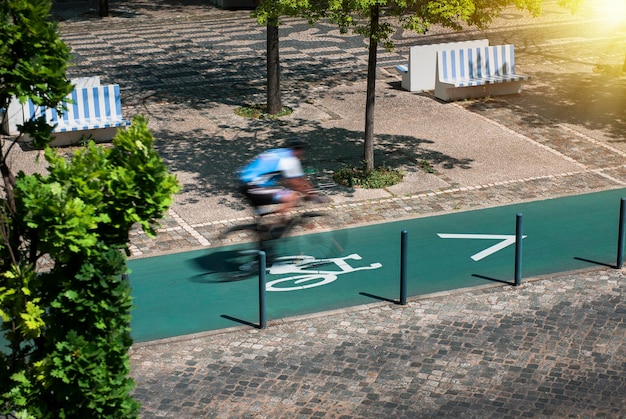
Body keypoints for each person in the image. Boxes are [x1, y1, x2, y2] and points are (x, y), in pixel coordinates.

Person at [238, 138, 322, 223]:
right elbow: (296, 182)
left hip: (245, 184)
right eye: (302, 151)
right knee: (292, 196)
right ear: (298, 151)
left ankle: (262, 227)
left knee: (280, 195)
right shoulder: (290, 160)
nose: (302, 154)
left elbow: (292, 180)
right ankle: (278, 225)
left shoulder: (277, 152)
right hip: (255, 187)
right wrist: (311, 194)